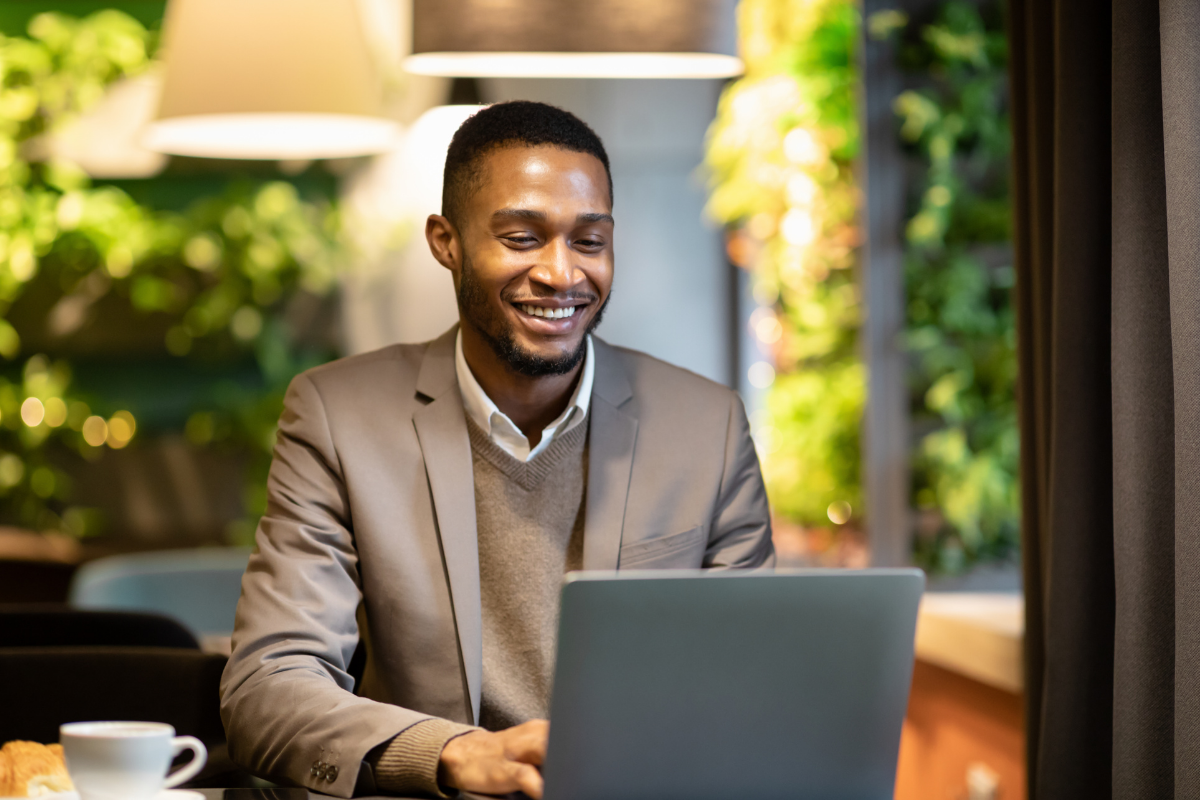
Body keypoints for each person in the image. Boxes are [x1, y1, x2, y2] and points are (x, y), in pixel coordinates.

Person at [220, 100, 774, 799]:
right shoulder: (338, 416)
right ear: (445, 241)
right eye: (521, 238)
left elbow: (755, 684)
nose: (561, 273)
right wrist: (449, 754)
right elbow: (268, 685)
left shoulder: (708, 426)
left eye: (589, 241)